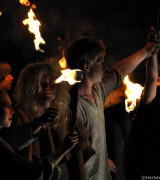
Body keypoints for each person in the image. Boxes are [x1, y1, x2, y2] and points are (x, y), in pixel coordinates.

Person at [64, 27, 159, 180]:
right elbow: (75, 152)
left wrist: (147, 50)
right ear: (86, 66)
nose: (104, 66)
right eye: (100, 61)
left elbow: (119, 70)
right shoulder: (72, 106)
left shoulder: (98, 90)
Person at [0, 60, 94, 180]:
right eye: (42, 84)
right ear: (30, 87)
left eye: (51, 83)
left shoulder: (65, 115)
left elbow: (83, 152)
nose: (48, 87)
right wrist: (39, 122)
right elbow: (14, 143)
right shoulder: (19, 115)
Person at [0, 88, 78, 180]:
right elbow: (31, 173)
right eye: (7, 105)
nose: (12, 110)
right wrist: (62, 150)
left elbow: (15, 140)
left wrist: (40, 121)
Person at [129, 28, 160, 179]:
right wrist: (151, 48)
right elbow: (152, 78)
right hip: (147, 170)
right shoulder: (149, 108)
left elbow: (153, 78)